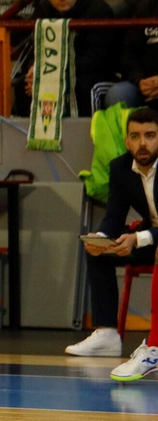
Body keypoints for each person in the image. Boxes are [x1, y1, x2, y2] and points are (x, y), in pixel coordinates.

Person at [70, 107, 158, 380]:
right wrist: (101, 238)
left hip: (151, 238)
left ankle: (154, 347)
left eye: (150, 135)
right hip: (150, 237)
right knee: (98, 252)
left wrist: (138, 239)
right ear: (126, 140)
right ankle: (107, 334)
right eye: (135, 136)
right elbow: (114, 216)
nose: (142, 143)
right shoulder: (120, 168)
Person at [15, 0, 117, 119]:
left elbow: (96, 60)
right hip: (55, 71)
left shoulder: (98, 11)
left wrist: (54, 73)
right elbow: (33, 49)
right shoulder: (42, 10)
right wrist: (33, 69)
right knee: (23, 84)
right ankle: (29, 138)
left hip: (94, 74)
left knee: (80, 86)